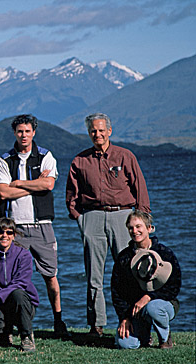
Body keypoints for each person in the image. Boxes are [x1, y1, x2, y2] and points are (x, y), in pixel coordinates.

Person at [65, 112, 151, 337]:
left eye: (102, 130)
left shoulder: (125, 156)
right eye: (93, 130)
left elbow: (139, 187)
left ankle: (135, 323)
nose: (98, 134)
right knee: (94, 276)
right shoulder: (80, 161)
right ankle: (96, 326)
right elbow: (71, 195)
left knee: (131, 272)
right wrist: (79, 218)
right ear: (89, 133)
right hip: (91, 217)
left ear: (109, 131)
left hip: (122, 218)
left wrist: (142, 218)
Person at [0, 114, 70, 338]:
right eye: (19, 131)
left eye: (27, 131)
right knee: (12, 277)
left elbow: (49, 183)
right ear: (14, 133)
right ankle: (12, 324)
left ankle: (58, 320)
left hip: (42, 225)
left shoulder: (46, 156)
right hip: (14, 227)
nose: (23, 135)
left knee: (50, 276)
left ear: (33, 132)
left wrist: (19, 183)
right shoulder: (5, 160)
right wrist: (33, 186)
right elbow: (3, 192)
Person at [111, 210, 181, 349]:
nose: (134, 231)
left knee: (153, 308)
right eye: (131, 228)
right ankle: (143, 336)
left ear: (149, 228)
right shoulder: (124, 257)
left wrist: (149, 296)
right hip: (135, 311)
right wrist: (124, 317)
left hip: (162, 305)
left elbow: (174, 286)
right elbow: (117, 290)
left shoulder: (165, 253)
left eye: (138, 227)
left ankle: (165, 337)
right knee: (124, 343)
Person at [0, 217, 40, 352]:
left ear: (14, 235)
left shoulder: (24, 255)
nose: (5, 236)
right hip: (0, 305)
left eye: (9, 232)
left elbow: (21, 282)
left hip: (22, 304)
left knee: (17, 293)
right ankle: (5, 333)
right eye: (1, 232)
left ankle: (26, 336)